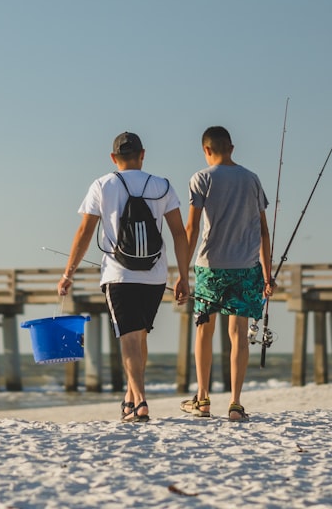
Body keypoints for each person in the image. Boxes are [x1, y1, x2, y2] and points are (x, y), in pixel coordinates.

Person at [57, 131, 189, 423]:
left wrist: (68, 274)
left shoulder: (102, 185)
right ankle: (130, 399)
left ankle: (140, 401)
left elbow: (84, 232)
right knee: (138, 334)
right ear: (143, 154)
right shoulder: (162, 185)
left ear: (113, 158)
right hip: (155, 275)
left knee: (127, 336)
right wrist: (183, 276)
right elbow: (180, 233)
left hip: (119, 274)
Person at [179, 126, 274, 422]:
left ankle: (203, 399)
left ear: (206, 150)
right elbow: (263, 231)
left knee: (204, 331)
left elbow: (192, 229)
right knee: (239, 336)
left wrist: (183, 271)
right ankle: (235, 403)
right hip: (246, 267)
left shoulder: (201, 178)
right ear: (232, 147)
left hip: (210, 267)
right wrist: (268, 275)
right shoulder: (252, 179)